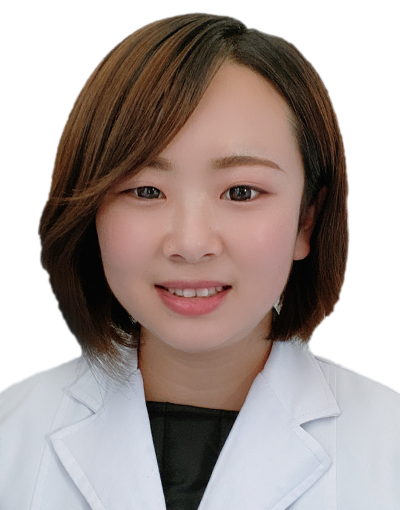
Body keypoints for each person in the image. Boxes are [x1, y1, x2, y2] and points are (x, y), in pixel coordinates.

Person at [0, 12, 399, 510]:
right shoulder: (11, 438)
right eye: (146, 190)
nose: (191, 244)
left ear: (306, 222)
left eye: (241, 191)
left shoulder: (388, 448)